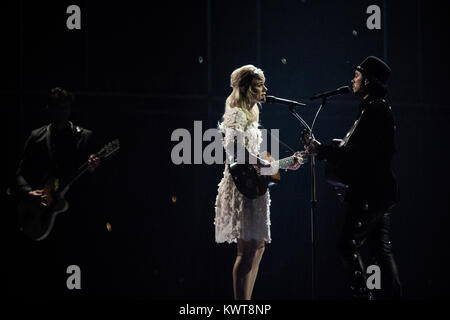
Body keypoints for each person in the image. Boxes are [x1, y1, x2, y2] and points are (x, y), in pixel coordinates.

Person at [305, 56, 402, 300]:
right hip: (379, 192)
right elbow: (357, 149)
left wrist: (322, 150)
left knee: (346, 245)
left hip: (370, 193)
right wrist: (326, 149)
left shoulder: (375, 109)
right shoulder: (374, 108)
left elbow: (356, 153)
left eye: (357, 75)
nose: (353, 79)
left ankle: (363, 296)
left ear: (368, 81)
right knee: (380, 250)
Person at [214, 65, 303, 300]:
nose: (265, 89)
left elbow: (256, 161)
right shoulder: (236, 113)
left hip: (254, 187)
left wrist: (284, 164)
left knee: (258, 248)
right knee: (247, 251)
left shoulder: (251, 115)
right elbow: (235, 149)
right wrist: (261, 163)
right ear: (248, 88)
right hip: (242, 189)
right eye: (260, 84)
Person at [13, 87, 100, 297]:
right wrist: (28, 193)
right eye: (57, 108)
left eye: (65, 108)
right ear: (49, 109)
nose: (61, 113)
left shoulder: (84, 137)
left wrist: (94, 168)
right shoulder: (37, 137)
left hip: (73, 220)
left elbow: (97, 185)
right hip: (42, 213)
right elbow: (19, 175)